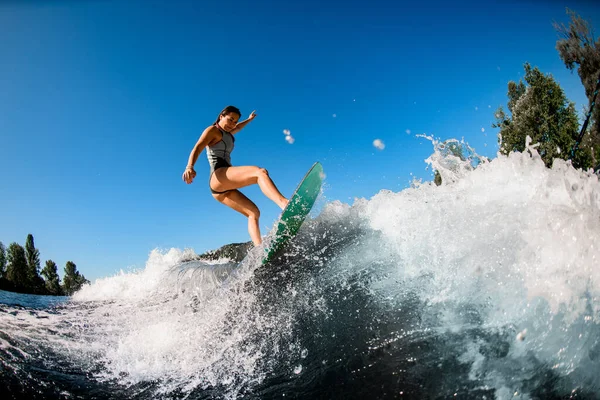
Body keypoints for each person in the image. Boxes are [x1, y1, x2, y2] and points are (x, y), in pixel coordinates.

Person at [182, 106, 288, 246]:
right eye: (230, 119)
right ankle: (284, 204)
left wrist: (249, 120)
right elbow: (198, 147)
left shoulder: (230, 133)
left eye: (234, 121)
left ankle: (260, 250)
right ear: (221, 116)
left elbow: (238, 127)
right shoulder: (213, 130)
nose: (232, 124)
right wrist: (190, 166)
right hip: (218, 176)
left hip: (220, 190)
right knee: (260, 172)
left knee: (253, 213)